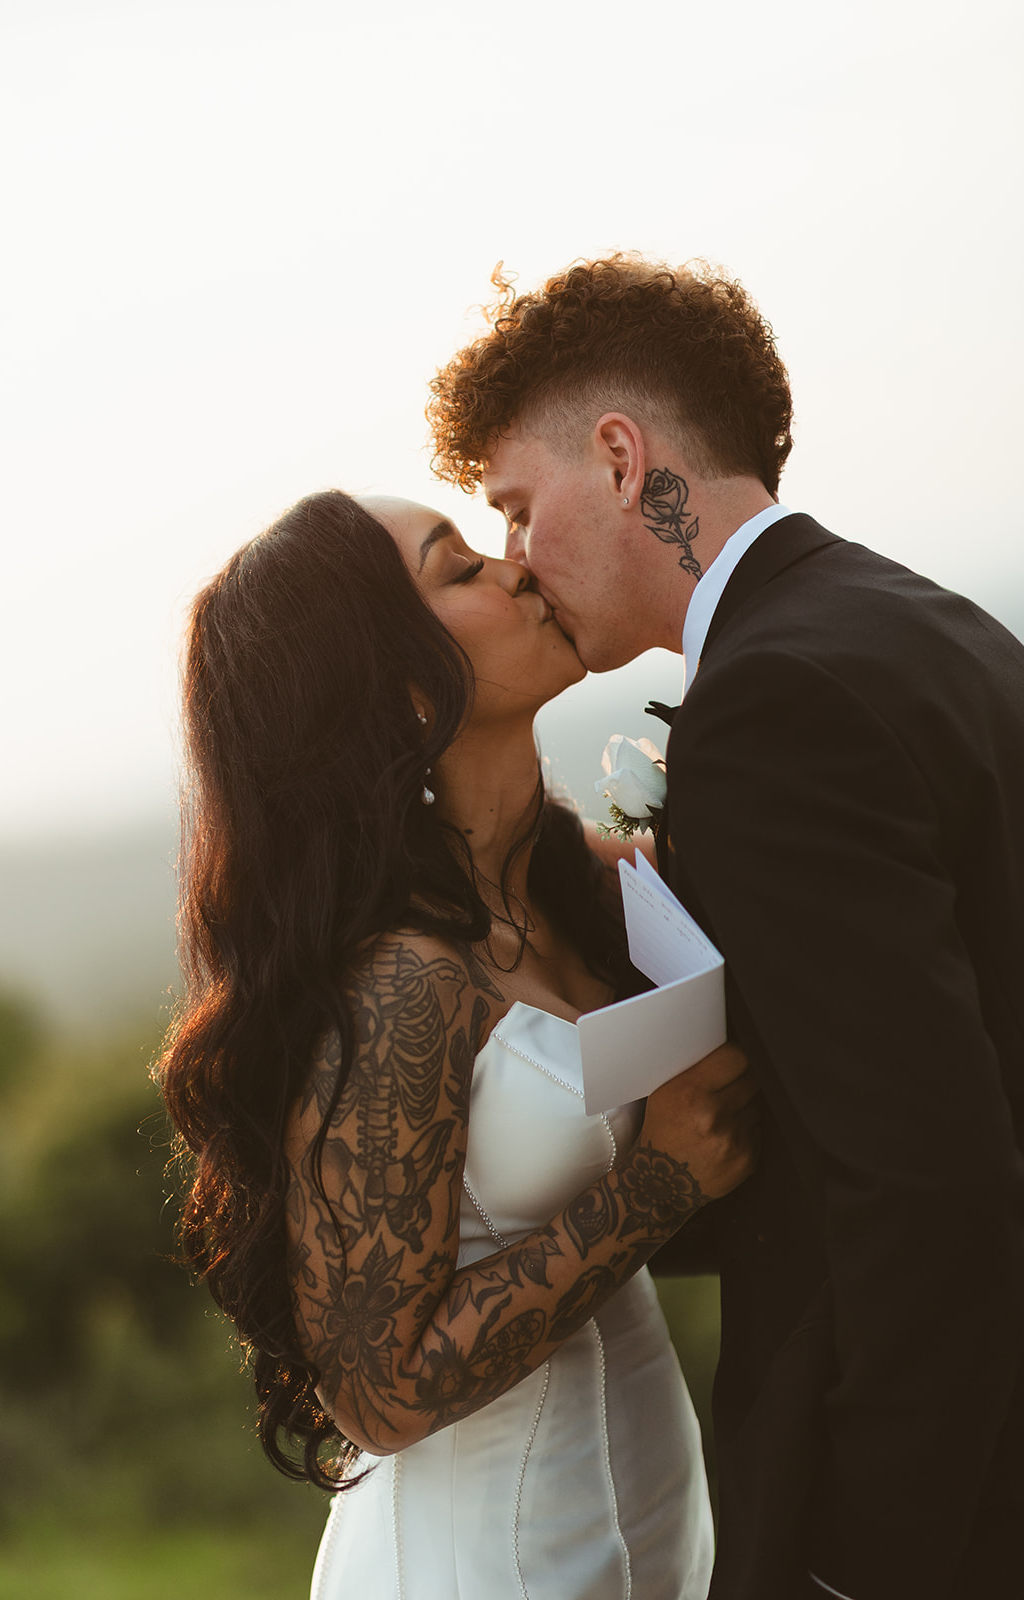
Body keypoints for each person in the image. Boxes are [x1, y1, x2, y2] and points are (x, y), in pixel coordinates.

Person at [426, 255, 1024, 1600]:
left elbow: (926, 1181)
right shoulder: (925, 628)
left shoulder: (767, 713)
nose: (516, 559)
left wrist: (865, 1559)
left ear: (623, 457)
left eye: (517, 510)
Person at [156, 488, 759, 1599]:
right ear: (395, 681)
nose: (515, 566)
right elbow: (376, 1393)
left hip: (644, 1533)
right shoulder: (400, 976)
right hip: (490, 1562)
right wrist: (656, 1181)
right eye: (457, 566)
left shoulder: (572, 890)